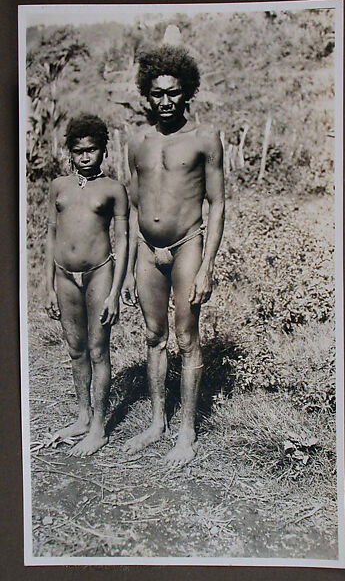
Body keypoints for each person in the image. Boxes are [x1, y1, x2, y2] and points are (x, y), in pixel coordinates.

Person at [121, 45, 225, 466]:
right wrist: (129, 267)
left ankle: (187, 431)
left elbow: (217, 203)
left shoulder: (205, 139)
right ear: (148, 93)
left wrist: (207, 265)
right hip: (146, 250)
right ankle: (157, 421)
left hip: (186, 245)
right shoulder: (136, 141)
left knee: (186, 338)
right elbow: (131, 206)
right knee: (153, 337)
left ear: (188, 93)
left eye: (174, 93)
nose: (165, 101)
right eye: (158, 93)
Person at [45, 114, 128, 456]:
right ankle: (82, 415)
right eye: (78, 151)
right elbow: (49, 236)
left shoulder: (112, 189)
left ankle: (99, 428)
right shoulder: (58, 187)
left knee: (97, 350)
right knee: (75, 349)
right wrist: (47, 287)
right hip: (64, 275)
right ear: (70, 152)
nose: (85, 156)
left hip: (99, 273)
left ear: (103, 151)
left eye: (92, 150)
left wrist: (115, 292)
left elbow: (122, 240)